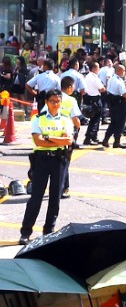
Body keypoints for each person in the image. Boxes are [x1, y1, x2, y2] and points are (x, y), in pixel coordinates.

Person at [19, 90, 74, 244]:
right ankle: (26, 231)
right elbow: (38, 142)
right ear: (46, 102)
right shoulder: (38, 119)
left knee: (55, 198)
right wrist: (57, 139)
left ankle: (48, 231)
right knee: (36, 197)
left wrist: (48, 137)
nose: (55, 104)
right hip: (42, 160)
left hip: (59, 160)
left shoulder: (66, 119)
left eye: (58, 101)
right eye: (52, 101)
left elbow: (68, 140)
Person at [101, 64, 126, 149]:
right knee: (120, 123)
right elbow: (124, 94)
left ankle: (106, 139)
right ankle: (116, 141)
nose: (124, 72)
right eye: (123, 71)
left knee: (113, 122)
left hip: (112, 103)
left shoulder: (111, 79)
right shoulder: (118, 81)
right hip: (119, 103)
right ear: (119, 71)